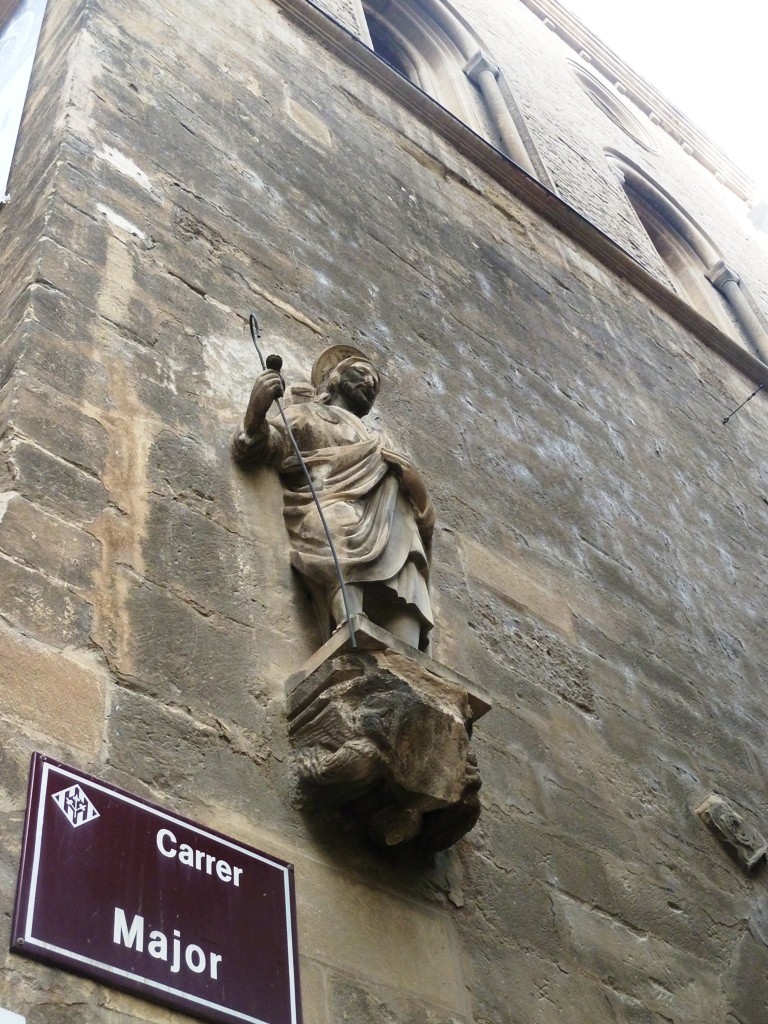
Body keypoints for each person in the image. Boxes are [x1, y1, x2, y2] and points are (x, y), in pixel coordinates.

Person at [231, 346, 435, 650]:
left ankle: (409, 651)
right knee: (337, 524)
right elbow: (259, 447)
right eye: (361, 372)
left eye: (376, 382)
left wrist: (415, 484)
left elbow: (425, 520)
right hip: (330, 503)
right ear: (335, 378)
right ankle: (348, 620)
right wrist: (256, 410)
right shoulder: (307, 415)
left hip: (392, 519)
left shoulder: (379, 440)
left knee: (406, 552)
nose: (370, 383)